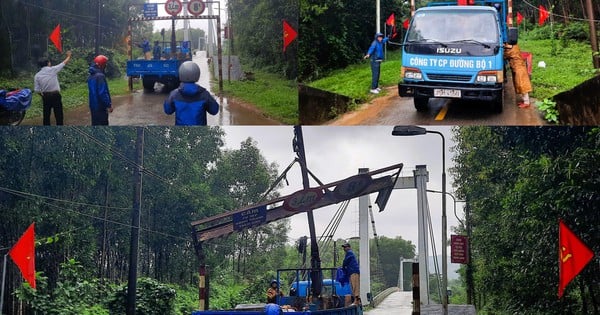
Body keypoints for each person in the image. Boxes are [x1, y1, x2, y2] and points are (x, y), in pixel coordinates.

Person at [164, 61, 219, 125]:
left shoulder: (174, 94)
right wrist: (212, 99)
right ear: (197, 74)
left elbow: (167, 110)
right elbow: (214, 111)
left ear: (181, 74)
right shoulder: (205, 94)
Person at [33, 50, 72, 125]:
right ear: (48, 63)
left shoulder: (37, 75)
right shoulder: (53, 69)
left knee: (46, 115)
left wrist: (43, 95)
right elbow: (64, 63)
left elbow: (37, 90)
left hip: (46, 96)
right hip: (55, 95)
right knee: (58, 114)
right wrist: (69, 56)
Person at [504, 43, 533, 108]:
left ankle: (526, 102)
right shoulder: (514, 47)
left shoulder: (512, 49)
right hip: (518, 67)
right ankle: (525, 101)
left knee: (522, 84)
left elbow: (505, 55)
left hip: (519, 68)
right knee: (519, 84)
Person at [87, 55, 113, 125]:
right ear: (102, 65)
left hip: (93, 106)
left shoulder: (90, 76)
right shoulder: (100, 76)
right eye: (105, 64)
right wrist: (109, 105)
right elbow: (102, 93)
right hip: (100, 107)